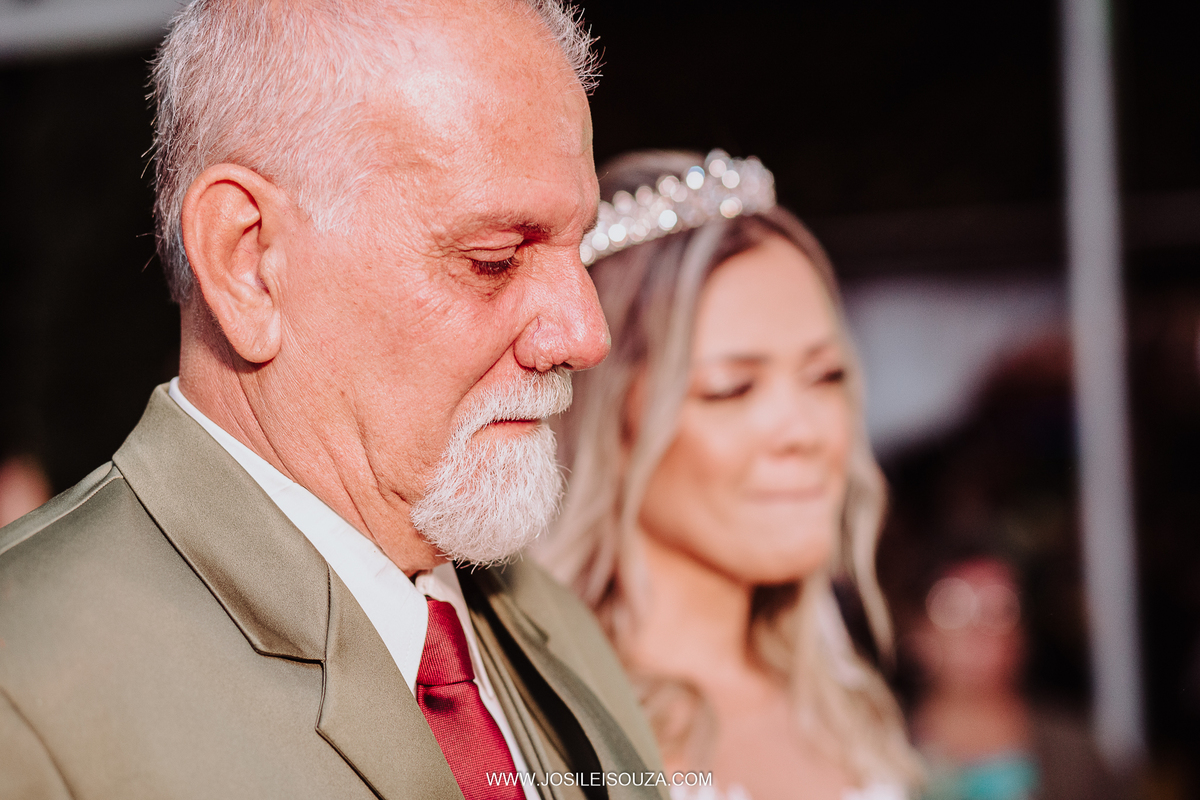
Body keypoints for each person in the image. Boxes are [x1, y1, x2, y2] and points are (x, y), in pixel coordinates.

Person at [0, 2, 669, 798]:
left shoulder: (549, 623)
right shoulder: (27, 683)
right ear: (247, 261)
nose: (584, 333)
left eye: (577, 246)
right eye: (493, 259)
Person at [540, 150, 922, 800]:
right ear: (608, 423)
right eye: (732, 388)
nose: (805, 432)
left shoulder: (842, 698)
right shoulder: (550, 725)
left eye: (825, 376)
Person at [902, 551, 1123, 800]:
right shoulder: (877, 749)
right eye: (952, 609)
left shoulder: (1077, 757)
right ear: (916, 632)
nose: (977, 630)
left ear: (1021, 638)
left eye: (998, 610)